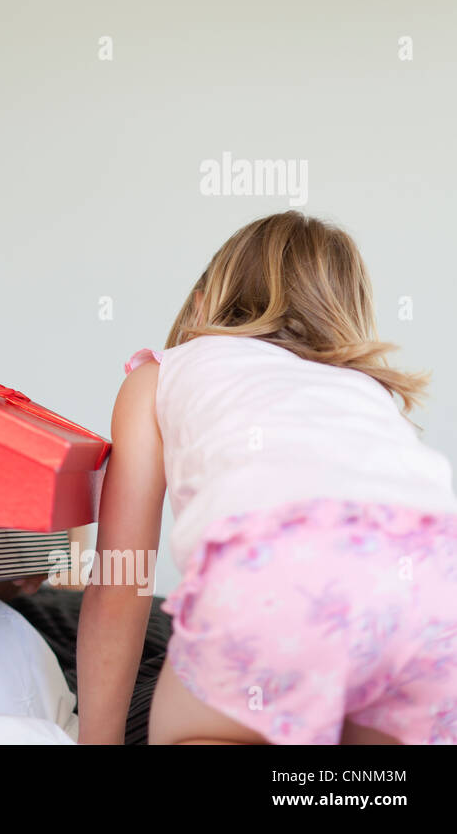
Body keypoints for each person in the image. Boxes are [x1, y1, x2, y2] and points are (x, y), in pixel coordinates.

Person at [77, 211, 457, 745]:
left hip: (277, 583)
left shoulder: (161, 375)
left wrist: (98, 740)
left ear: (206, 299)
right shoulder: (367, 391)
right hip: (432, 590)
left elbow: (124, 576)